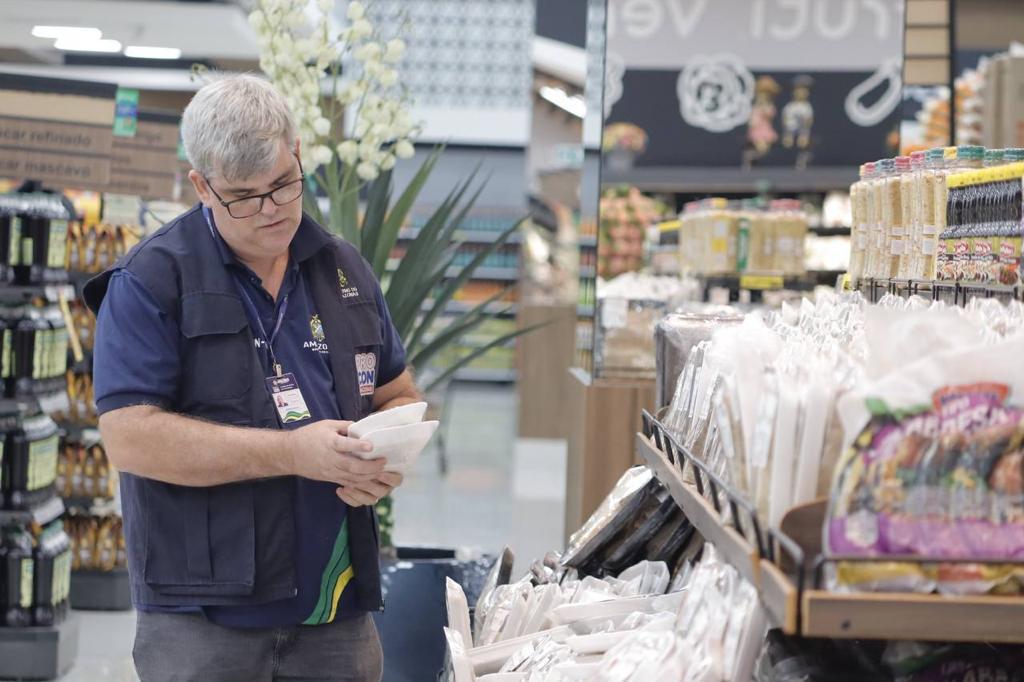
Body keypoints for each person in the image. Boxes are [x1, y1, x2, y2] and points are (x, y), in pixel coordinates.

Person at [85, 74, 420, 681]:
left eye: (283, 186)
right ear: (201, 185)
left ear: (297, 153)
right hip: (204, 616)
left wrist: (387, 455)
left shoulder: (342, 268)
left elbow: (398, 390)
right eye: (243, 196)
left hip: (335, 604)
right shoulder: (151, 280)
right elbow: (130, 437)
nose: (271, 211)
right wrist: (295, 452)